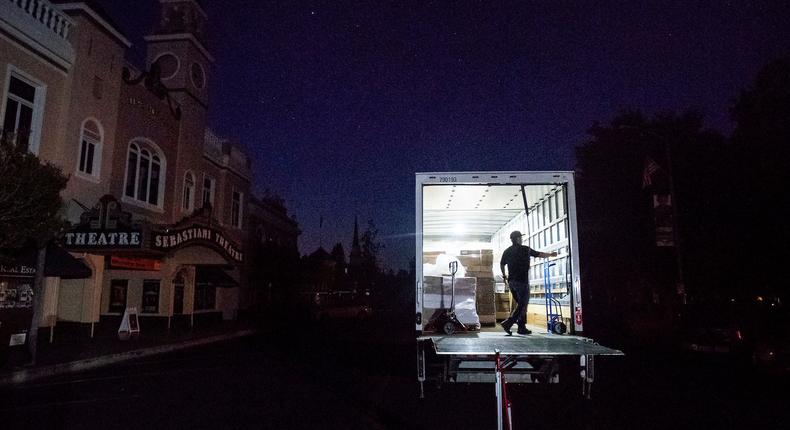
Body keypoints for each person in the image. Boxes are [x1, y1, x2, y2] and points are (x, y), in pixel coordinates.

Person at [500, 230, 557, 335]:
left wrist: (504, 276)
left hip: (512, 282)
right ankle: (508, 323)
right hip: (522, 282)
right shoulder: (525, 249)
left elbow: (502, 264)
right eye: (520, 237)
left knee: (521, 305)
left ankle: (521, 328)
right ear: (517, 239)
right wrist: (551, 254)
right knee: (522, 305)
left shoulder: (507, 251)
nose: (522, 239)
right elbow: (539, 254)